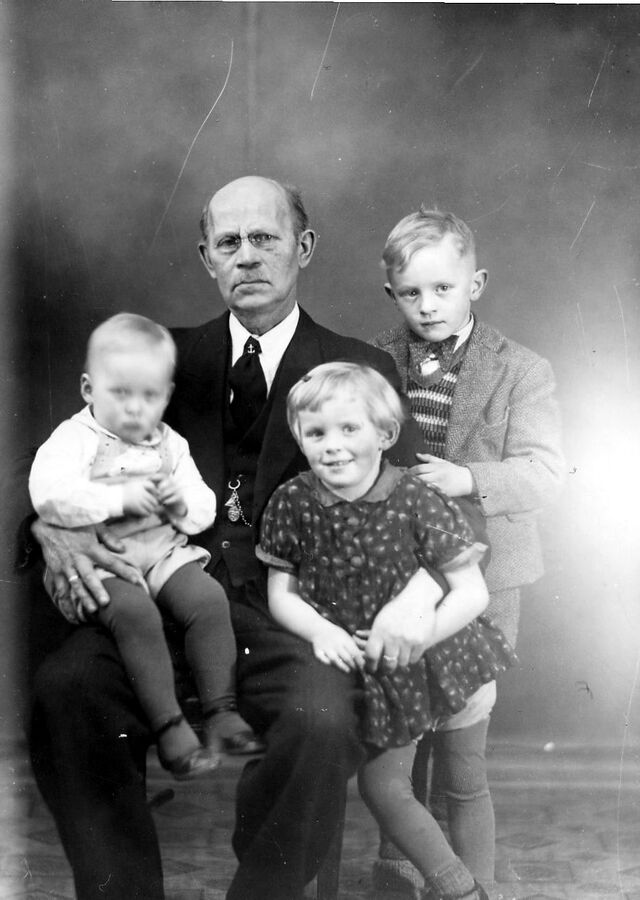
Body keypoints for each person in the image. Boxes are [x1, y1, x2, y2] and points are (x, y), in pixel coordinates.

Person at [24, 176, 451, 900]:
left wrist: (421, 592)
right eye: (229, 243)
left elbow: (419, 500)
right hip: (161, 598)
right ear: (207, 259)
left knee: (322, 720)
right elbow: (52, 454)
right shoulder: (160, 359)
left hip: (293, 614)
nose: (247, 256)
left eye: (264, 238)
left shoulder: (356, 367)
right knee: (66, 692)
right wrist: (44, 526)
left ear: (303, 247)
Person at [258, 361, 518, 900]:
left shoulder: (417, 498)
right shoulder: (293, 502)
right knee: (384, 786)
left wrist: (423, 634)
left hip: (451, 659)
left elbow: (472, 591)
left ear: (386, 435)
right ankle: (462, 890)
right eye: (316, 433)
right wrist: (321, 631)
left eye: (349, 428)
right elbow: (281, 594)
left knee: (465, 784)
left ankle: (480, 889)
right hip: (389, 679)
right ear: (299, 439)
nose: (333, 446)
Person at [370, 208, 565, 896]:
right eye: (411, 292)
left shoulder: (522, 369)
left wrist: (470, 478)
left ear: (475, 285)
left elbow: (546, 471)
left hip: (485, 575)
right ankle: (401, 869)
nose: (427, 305)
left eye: (443, 289)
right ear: (391, 292)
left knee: (462, 733)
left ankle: (469, 877)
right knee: (403, 723)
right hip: (400, 571)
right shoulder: (374, 359)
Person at [28, 312, 262, 780]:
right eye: (120, 393)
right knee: (136, 614)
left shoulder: (170, 444)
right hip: (104, 560)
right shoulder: (75, 438)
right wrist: (117, 499)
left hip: (160, 552)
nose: (136, 409)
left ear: (166, 396)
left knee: (207, 599)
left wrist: (180, 504)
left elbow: (204, 507)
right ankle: (170, 727)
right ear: (89, 389)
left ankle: (221, 711)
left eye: (149, 396)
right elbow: (48, 495)